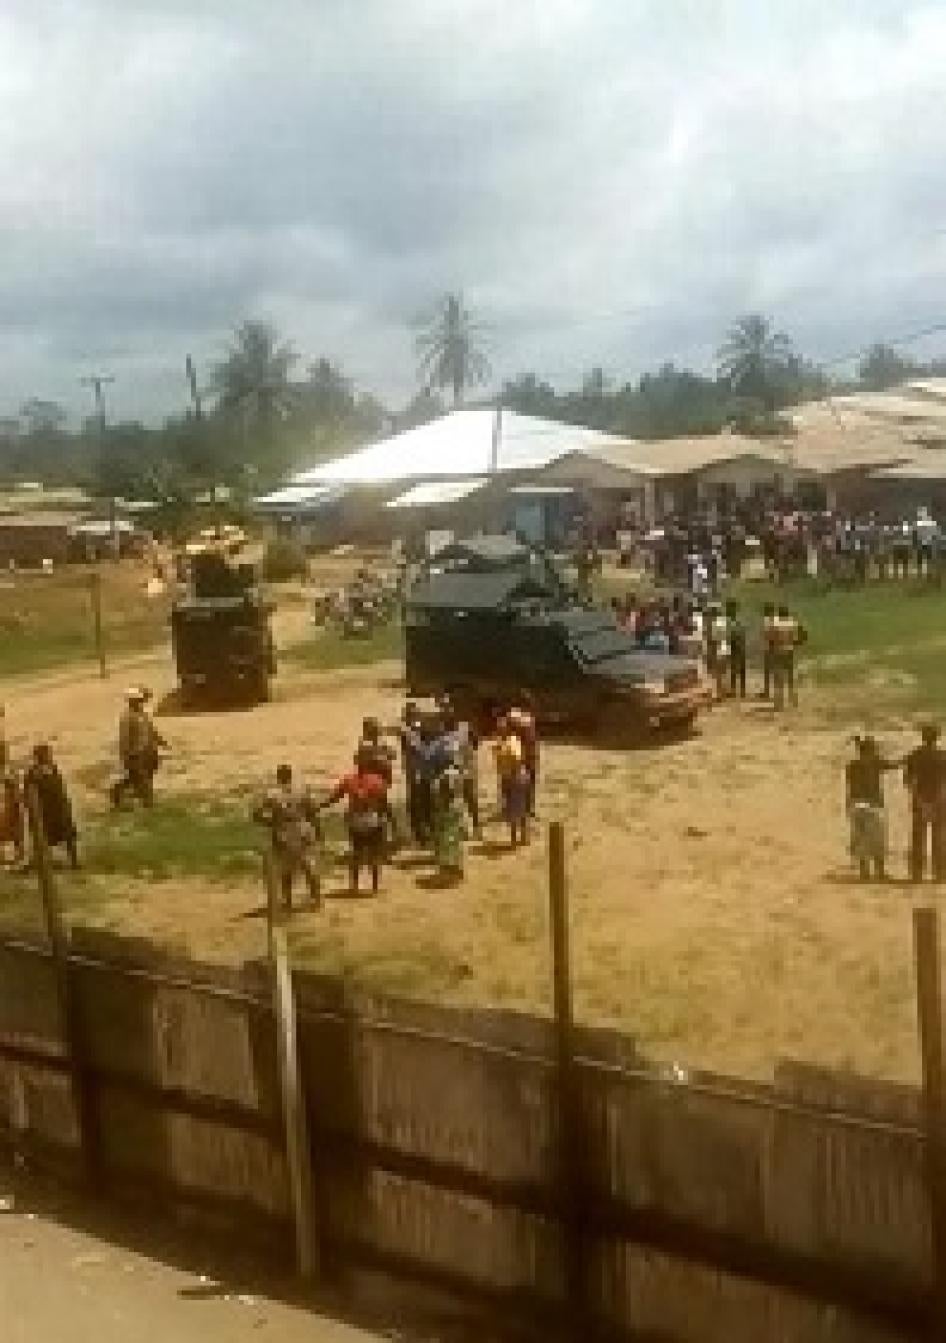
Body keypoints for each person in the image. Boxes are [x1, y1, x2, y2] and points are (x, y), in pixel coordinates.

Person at [319, 747, 393, 894]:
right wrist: (389, 821)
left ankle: (354, 885)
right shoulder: (377, 781)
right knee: (374, 854)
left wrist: (319, 806)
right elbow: (384, 804)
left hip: (355, 821)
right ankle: (375, 887)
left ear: (356, 762)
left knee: (356, 853)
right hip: (372, 819)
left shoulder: (349, 779)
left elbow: (335, 797)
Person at [252, 764, 322, 910]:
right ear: (291, 776)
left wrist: (270, 823)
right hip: (303, 829)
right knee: (309, 865)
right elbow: (313, 811)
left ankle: (288, 900)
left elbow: (257, 814)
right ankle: (316, 899)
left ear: (278, 777)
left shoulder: (272, 794)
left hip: (283, 832)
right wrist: (318, 830)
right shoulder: (302, 790)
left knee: (286, 868)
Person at [845, 736, 899, 881]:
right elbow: (893, 765)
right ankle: (879, 872)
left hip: (856, 803)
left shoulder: (852, 765)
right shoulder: (876, 763)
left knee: (861, 839)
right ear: (871, 750)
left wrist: (848, 805)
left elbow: (849, 787)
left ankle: (864, 872)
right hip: (873, 804)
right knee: (877, 840)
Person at [111, 688, 168, 809]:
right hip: (135, 754)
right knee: (142, 779)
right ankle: (148, 803)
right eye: (138, 700)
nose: (141, 702)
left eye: (141, 700)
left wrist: (161, 742)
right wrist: (128, 754)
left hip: (148, 751)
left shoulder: (143, 714)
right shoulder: (127, 717)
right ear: (131, 701)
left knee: (140, 777)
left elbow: (151, 730)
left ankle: (118, 790)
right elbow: (125, 738)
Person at [24, 743, 78, 869]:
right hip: (45, 812)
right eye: (46, 755)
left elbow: (60, 787)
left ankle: (74, 861)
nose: (49, 757)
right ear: (38, 757)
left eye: (49, 754)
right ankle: (46, 864)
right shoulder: (33, 774)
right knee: (45, 839)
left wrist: (66, 804)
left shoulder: (53, 768)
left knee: (69, 835)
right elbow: (29, 795)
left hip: (59, 809)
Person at [904, 725, 946, 882]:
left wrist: (917, 798)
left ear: (923, 737)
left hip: (919, 799)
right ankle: (940, 874)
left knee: (918, 838)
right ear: (938, 737)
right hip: (940, 799)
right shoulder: (943, 756)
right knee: (940, 838)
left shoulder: (914, 755)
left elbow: (908, 781)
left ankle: (917, 874)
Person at [494, 717, 530, 848]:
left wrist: (511, 775)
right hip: (508, 777)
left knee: (518, 808)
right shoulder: (501, 742)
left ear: (508, 729)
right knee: (511, 809)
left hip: (516, 778)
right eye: (498, 728)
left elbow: (517, 759)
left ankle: (523, 836)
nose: (499, 730)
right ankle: (516, 838)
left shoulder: (512, 741)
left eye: (502, 728)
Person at [430, 752, 466, 880]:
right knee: (456, 840)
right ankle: (458, 868)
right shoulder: (458, 774)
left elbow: (447, 791)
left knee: (446, 840)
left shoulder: (444, 776)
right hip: (458, 806)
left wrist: (443, 804)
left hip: (448, 808)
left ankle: (448, 868)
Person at [770, 604, 804, 710]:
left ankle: (779, 703)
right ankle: (793, 700)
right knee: (790, 676)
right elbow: (802, 635)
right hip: (790, 650)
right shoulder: (792, 623)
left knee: (779, 678)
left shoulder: (775, 624)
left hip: (779, 651)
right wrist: (796, 643)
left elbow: (771, 638)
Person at [726, 600, 747, 699]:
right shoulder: (737, 620)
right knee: (735, 669)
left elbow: (740, 634)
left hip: (736, 646)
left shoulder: (734, 621)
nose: (728, 611)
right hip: (737, 646)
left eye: (729, 609)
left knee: (738, 669)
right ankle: (737, 690)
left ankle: (739, 690)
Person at [761, 603, 777, 699]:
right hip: (777, 648)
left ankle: (767, 691)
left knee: (767, 672)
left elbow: (765, 634)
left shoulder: (766, 621)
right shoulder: (776, 620)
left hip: (769, 648)